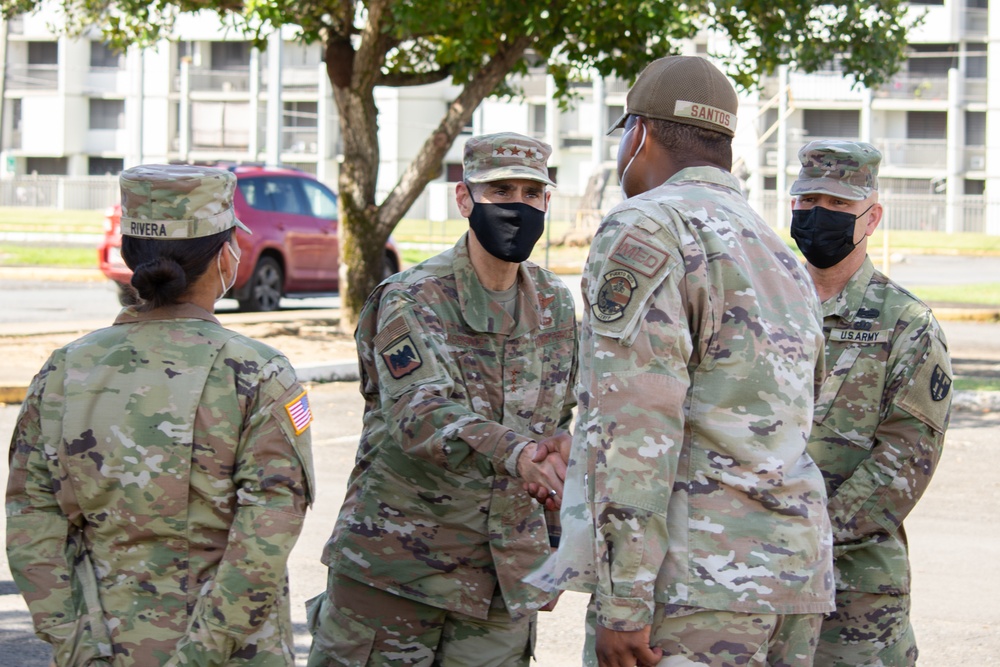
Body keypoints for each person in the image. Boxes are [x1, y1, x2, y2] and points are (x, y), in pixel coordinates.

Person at [527, 55, 835, 666]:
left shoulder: (647, 226)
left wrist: (623, 601)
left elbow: (637, 429)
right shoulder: (772, 247)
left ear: (637, 134)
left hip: (693, 588)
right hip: (791, 579)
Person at [6, 164, 315, 666]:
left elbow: (31, 519)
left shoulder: (64, 369)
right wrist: (200, 653)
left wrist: (75, 643)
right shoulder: (258, 372)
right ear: (224, 256)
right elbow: (268, 527)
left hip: (104, 645)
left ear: (132, 254)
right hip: (232, 654)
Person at [306, 132, 578, 666]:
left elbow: (557, 427)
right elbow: (420, 414)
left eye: (531, 192)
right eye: (500, 191)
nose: (517, 206)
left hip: (502, 581)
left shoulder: (555, 303)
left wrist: (555, 539)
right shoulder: (413, 296)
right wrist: (519, 452)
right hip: (398, 572)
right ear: (465, 199)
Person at [789, 140, 952, 666]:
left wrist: (801, 537)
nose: (820, 216)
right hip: (752, 589)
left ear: (872, 217)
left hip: (853, 600)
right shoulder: (759, 310)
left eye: (838, 205)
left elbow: (905, 461)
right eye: (809, 200)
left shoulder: (907, 325)